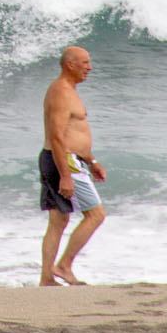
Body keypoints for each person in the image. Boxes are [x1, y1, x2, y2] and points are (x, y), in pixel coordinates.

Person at [39, 45, 107, 286]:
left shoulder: (69, 91)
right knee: (96, 215)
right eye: (85, 63)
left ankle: (47, 278)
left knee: (58, 222)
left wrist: (92, 161)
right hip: (64, 161)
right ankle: (65, 265)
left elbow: (73, 133)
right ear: (70, 64)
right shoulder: (61, 92)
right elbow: (57, 137)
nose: (89, 68)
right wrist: (66, 176)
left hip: (68, 160)